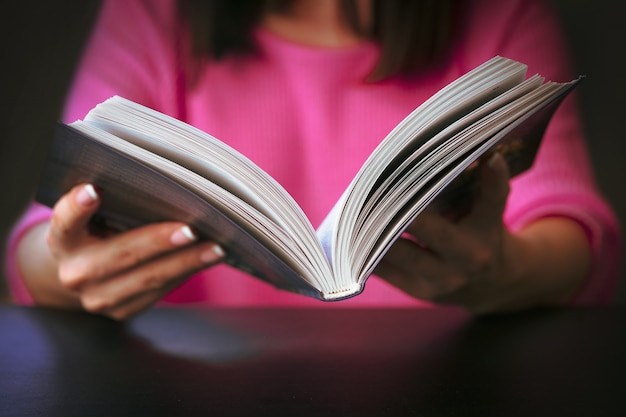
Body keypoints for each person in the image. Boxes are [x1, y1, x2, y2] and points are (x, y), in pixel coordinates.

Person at [5, 0, 621, 320]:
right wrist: (70, 268)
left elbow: (571, 226)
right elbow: (46, 236)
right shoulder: (153, 13)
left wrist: (503, 273)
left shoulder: (500, 13)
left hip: (449, 384)